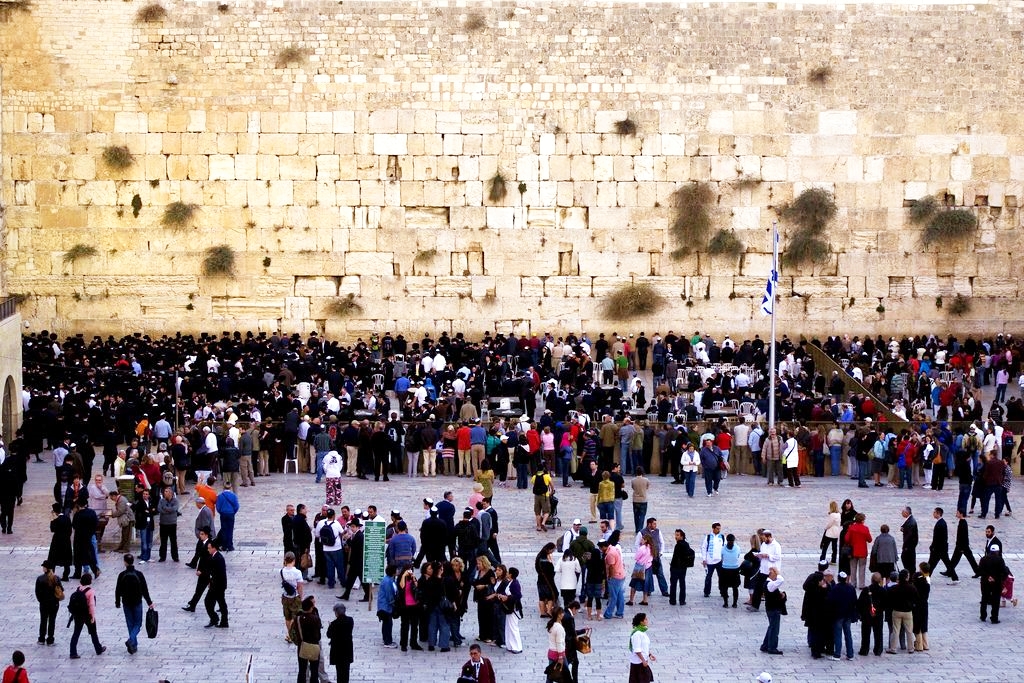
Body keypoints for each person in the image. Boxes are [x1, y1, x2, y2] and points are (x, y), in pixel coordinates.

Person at [113, 554, 154, 655]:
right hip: (137, 602)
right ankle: (132, 642)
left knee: (130, 623)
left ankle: (133, 643)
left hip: (126, 602)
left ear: (125, 562)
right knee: (138, 624)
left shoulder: (121, 575)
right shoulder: (139, 574)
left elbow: (117, 590)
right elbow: (145, 590)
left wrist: (117, 602)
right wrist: (149, 602)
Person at [68, 573, 106, 659]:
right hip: (87, 615)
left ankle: (73, 652)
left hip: (78, 615)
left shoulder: (78, 589)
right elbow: (91, 605)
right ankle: (98, 649)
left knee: (76, 633)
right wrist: (92, 616)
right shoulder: (90, 591)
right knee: (93, 632)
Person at [827, 571, 858, 661]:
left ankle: (837, 654)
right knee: (848, 634)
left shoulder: (835, 588)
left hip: (838, 615)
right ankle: (850, 654)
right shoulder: (851, 588)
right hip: (848, 615)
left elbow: (831, 601)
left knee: (838, 634)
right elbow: (854, 601)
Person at [943, 509, 980, 582]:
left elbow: (963, 536)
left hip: (962, 546)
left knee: (970, 559)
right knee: (955, 559)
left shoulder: (963, 523)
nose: (956, 514)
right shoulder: (962, 522)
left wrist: (962, 547)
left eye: (957, 513)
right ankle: (949, 571)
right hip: (960, 545)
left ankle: (978, 572)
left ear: (961, 514)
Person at [886, 570, 917, 653]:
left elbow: (889, 600)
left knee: (895, 630)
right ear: (907, 577)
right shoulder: (912, 587)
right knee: (909, 631)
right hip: (908, 611)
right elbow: (915, 599)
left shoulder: (894, 588)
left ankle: (893, 648)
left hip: (896, 611)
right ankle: (911, 648)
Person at [183, 527, 212, 612]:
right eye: (200, 534)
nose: (200, 536)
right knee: (199, 590)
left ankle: (192, 604)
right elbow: (199, 556)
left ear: (206, 535)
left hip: (208, 572)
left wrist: (201, 570)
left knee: (213, 591)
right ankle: (192, 605)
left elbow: (208, 560)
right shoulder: (201, 542)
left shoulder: (210, 544)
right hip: (202, 571)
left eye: (202, 534)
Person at [295, 596, 322, 683]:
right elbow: (318, 635)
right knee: (314, 670)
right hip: (314, 645)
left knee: (302, 670)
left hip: (302, 646)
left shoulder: (298, 618)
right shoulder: (315, 618)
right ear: (310, 607)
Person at [979, 544, 1009, 623]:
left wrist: (988, 577)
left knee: (984, 598)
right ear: (997, 551)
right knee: (995, 600)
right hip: (996, 583)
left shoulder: (983, 559)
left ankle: (983, 616)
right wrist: (1001, 580)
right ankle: (994, 618)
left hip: (985, 582)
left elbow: (979, 570)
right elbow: (1004, 572)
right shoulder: (1000, 560)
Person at [857, 572, 885, 657]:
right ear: (880, 580)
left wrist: (861, 613)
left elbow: (860, 603)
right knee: (878, 633)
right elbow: (886, 604)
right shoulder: (883, 590)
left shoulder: (866, 590)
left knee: (865, 633)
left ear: (872, 580)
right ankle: (878, 650)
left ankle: (864, 650)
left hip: (867, 615)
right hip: (878, 615)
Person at [34, 560, 62, 646]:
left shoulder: (40, 579)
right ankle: (50, 639)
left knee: (43, 620)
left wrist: (41, 601)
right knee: (52, 621)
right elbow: (61, 590)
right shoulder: (56, 578)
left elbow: (37, 592)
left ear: (46, 569)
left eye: (43, 567)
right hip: (54, 604)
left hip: (44, 604)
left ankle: (41, 639)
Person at [759, 567, 786, 656]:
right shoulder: (770, 584)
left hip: (771, 608)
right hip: (773, 609)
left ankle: (765, 645)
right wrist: (777, 572)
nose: (777, 576)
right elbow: (781, 580)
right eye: (775, 574)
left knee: (771, 627)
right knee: (774, 628)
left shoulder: (770, 584)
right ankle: (772, 647)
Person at [326, 602, 354, 683]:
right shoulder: (350, 620)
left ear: (336, 612)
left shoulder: (334, 624)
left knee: (339, 672)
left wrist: (330, 626)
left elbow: (329, 635)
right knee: (346, 671)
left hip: (338, 652)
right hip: (347, 650)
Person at [204, 539, 229, 628]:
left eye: (209, 548)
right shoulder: (215, 557)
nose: (208, 550)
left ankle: (221, 621)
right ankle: (217, 619)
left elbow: (219, 573)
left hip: (218, 586)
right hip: (215, 585)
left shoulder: (218, 558)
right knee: (217, 603)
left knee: (219, 603)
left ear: (214, 548)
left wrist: (212, 583)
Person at [281, 551, 305, 642]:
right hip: (295, 597)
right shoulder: (297, 572)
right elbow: (300, 586)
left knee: (287, 617)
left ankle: (290, 635)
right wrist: (301, 597)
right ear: (294, 560)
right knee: (296, 617)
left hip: (285, 596)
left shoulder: (282, 571)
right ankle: (295, 634)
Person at [845, 514, 872, 589]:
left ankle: (853, 583)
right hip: (862, 551)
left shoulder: (851, 528)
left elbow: (846, 539)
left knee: (853, 568)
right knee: (862, 568)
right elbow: (869, 540)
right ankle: (861, 584)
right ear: (862, 520)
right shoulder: (865, 528)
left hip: (853, 551)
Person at [627, 612, 656, 683]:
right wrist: (643, 660)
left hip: (642, 661)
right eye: (645, 619)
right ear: (641, 622)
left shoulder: (642, 632)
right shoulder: (637, 634)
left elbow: (644, 646)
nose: (647, 621)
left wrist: (650, 654)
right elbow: (637, 649)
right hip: (638, 662)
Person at [669, 529, 693, 606]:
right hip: (683, 568)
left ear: (681, 536)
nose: (676, 537)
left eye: (677, 535)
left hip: (676, 568)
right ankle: (682, 600)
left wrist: (672, 565)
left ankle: (673, 600)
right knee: (682, 584)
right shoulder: (686, 544)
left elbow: (675, 557)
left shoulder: (678, 545)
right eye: (675, 535)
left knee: (673, 584)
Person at [701, 522, 725, 598]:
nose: (719, 530)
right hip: (710, 561)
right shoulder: (708, 537)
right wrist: (704, 559)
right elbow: (704, 548)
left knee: (721, 577)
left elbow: (724, 548)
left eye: (719, 528)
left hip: (719, 561)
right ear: (713, 528)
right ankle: (707, 592)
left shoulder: (722, 537)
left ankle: (722, 591)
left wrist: (724, 559)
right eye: (717, 528)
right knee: (708, 577)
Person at [156, 486, 179, 562]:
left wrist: (165, 508)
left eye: (166, 492)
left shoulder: (175, 501)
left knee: (173, 541)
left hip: (172, 524)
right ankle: (162, 556)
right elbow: (159, 509)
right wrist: (169, 510)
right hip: (163, 524)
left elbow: (174, 509)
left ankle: (175, 556)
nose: (164, 493)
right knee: (163, 541)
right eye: (164, 491)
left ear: (170, 493)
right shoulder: (161, 501)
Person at [927, 508, 952, 577]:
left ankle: (926, 577)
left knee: (931, 563)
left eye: (934, 512)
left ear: (938, 513)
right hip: (941, 548)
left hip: (938, 549)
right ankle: (955, 578)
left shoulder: (940, 524)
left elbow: (937, 538)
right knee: (947, 563)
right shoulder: (941, 522)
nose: (933, 514)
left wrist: (933, 547)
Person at [215, 482, 240, 552]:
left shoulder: (220, 496)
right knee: (230, 530)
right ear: (231, 487)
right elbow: (237, 506)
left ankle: (224, 545)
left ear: (223, 487)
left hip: (223, 514)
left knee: (224, 529)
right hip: (231, 514)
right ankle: (230, 545)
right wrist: (233, 512)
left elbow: (218, 506)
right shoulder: (233, 496)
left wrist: (221, 512)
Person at [720, 533, 742, 608]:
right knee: (735, 587)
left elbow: (721, 557)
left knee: (724, 587)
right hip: (735, 569)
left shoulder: (723, 548)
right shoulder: (738, 548)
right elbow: (738, 556)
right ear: (734, 540)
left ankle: (725, 603)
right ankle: (735, 603)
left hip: (725, 569)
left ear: (726, 540)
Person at [912, 562, 931, 651]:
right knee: (924, 624)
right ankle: (926, 644)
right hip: (924, 604)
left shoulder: (915, 586)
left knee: (917, 625)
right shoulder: (927, 583)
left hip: (917, 606)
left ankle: (919, 645)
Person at [545, 607, 567, 679]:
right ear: (558, 615)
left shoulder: (551, 624)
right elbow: (559, 643)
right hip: (558, 654)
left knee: (550, 676)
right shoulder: (559, 628)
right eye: (562, 613)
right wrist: (561, 657)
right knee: (567, 675)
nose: (563, 614)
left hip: (551, 653)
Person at [899, 507, 918, 578]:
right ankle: (910, 574)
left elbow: (909, 536)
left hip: (909, 546)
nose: (901, 513)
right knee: (909, 561)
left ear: (906, 513)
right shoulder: (909, 520)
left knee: (907, 560)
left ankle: (910, 575)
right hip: (910, 546)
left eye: (902, 512)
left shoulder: (911, 522)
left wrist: (905, 546)